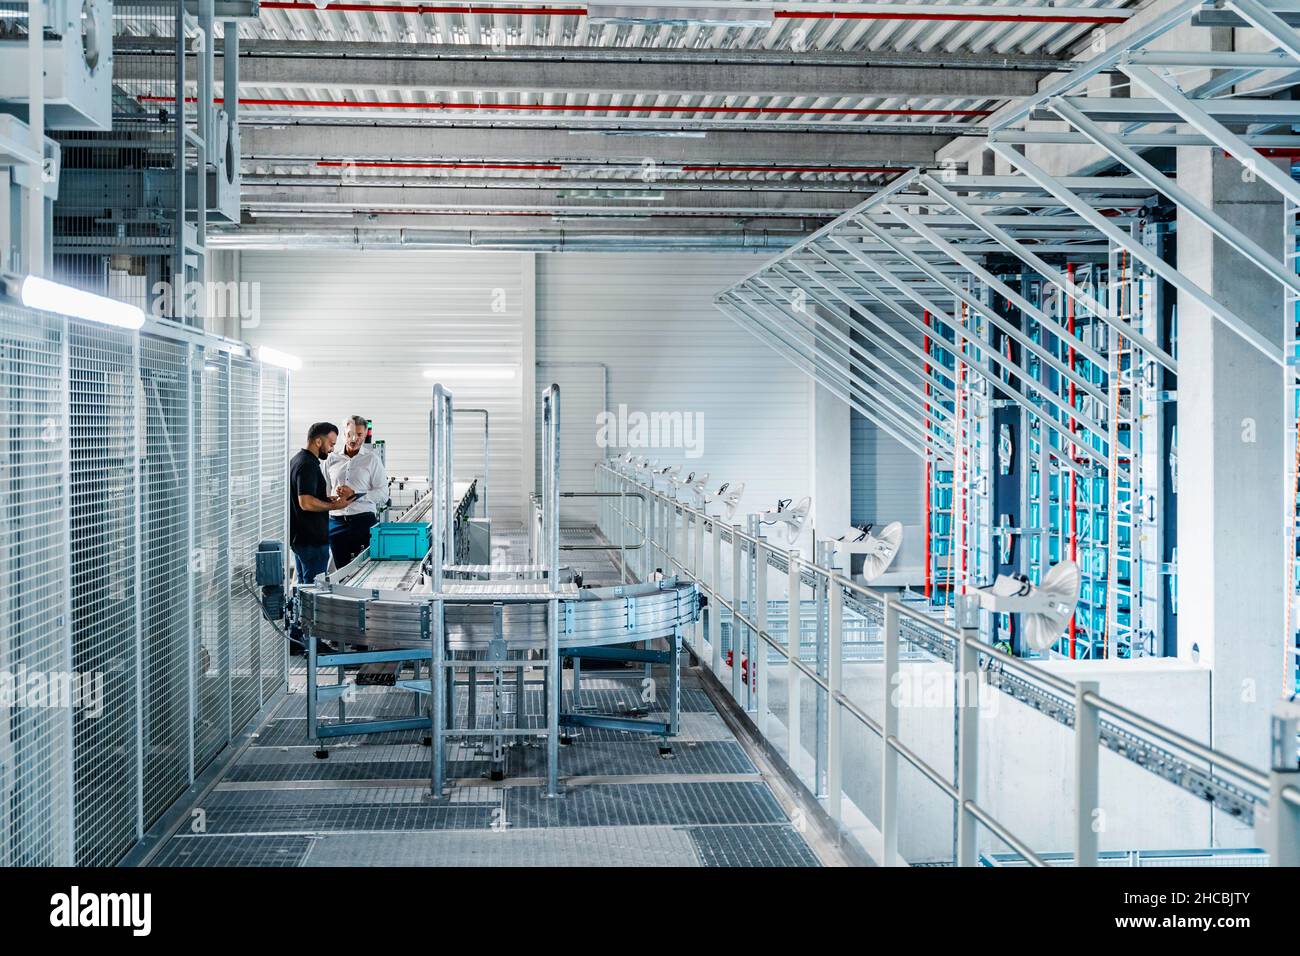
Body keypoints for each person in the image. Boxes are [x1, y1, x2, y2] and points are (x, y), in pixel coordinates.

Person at [289, 422, 352, 586]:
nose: (331, 449)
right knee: (313, 590)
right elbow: (306, 502)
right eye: (330, 444)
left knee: (303, 587)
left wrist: (326, 499)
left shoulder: (297, 460)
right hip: (311, 541)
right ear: (318, 441)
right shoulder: (307, 465)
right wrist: (334, 506)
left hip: (301, 539)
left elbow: (304, 495)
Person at [325, 414, 388, 568]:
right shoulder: (331, 459)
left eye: (359, 434)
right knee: (341, 571)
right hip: (336, 523)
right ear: (343, 434)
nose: (354, 439)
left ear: (365, 434)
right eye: (349, 434)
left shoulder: (372, 459)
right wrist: (331, 498)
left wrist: (355, 494)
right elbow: (325, 491)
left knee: (367, 571)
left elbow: (383, 494)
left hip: (363, 522)